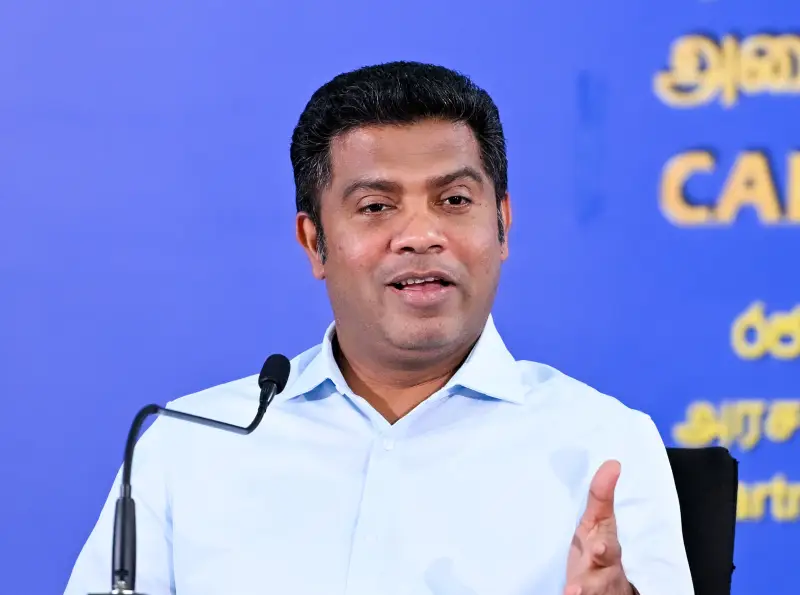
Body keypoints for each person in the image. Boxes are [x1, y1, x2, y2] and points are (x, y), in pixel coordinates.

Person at [64, 61, 693, 595]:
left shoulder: (604, 444)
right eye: (376, 206)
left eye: (454, 200)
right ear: (314, 242)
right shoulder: (188, 447)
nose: (420, 235)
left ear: (502, 224)